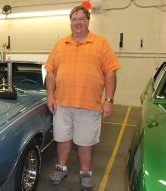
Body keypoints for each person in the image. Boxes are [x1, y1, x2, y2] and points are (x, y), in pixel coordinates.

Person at [44, 5, 121, 191]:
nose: (78, 22)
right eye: (74, 19)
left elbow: (110, 73)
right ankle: (61, 169)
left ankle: (85, 174)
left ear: (88, 21)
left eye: (81, 19)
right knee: (62, 139)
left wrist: (109, 101)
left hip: (89, 105)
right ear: (70, 22)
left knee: (85, 142)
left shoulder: (100, 43)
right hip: (62, 104)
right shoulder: (60, 44)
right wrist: (50, 96)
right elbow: (51, 73)